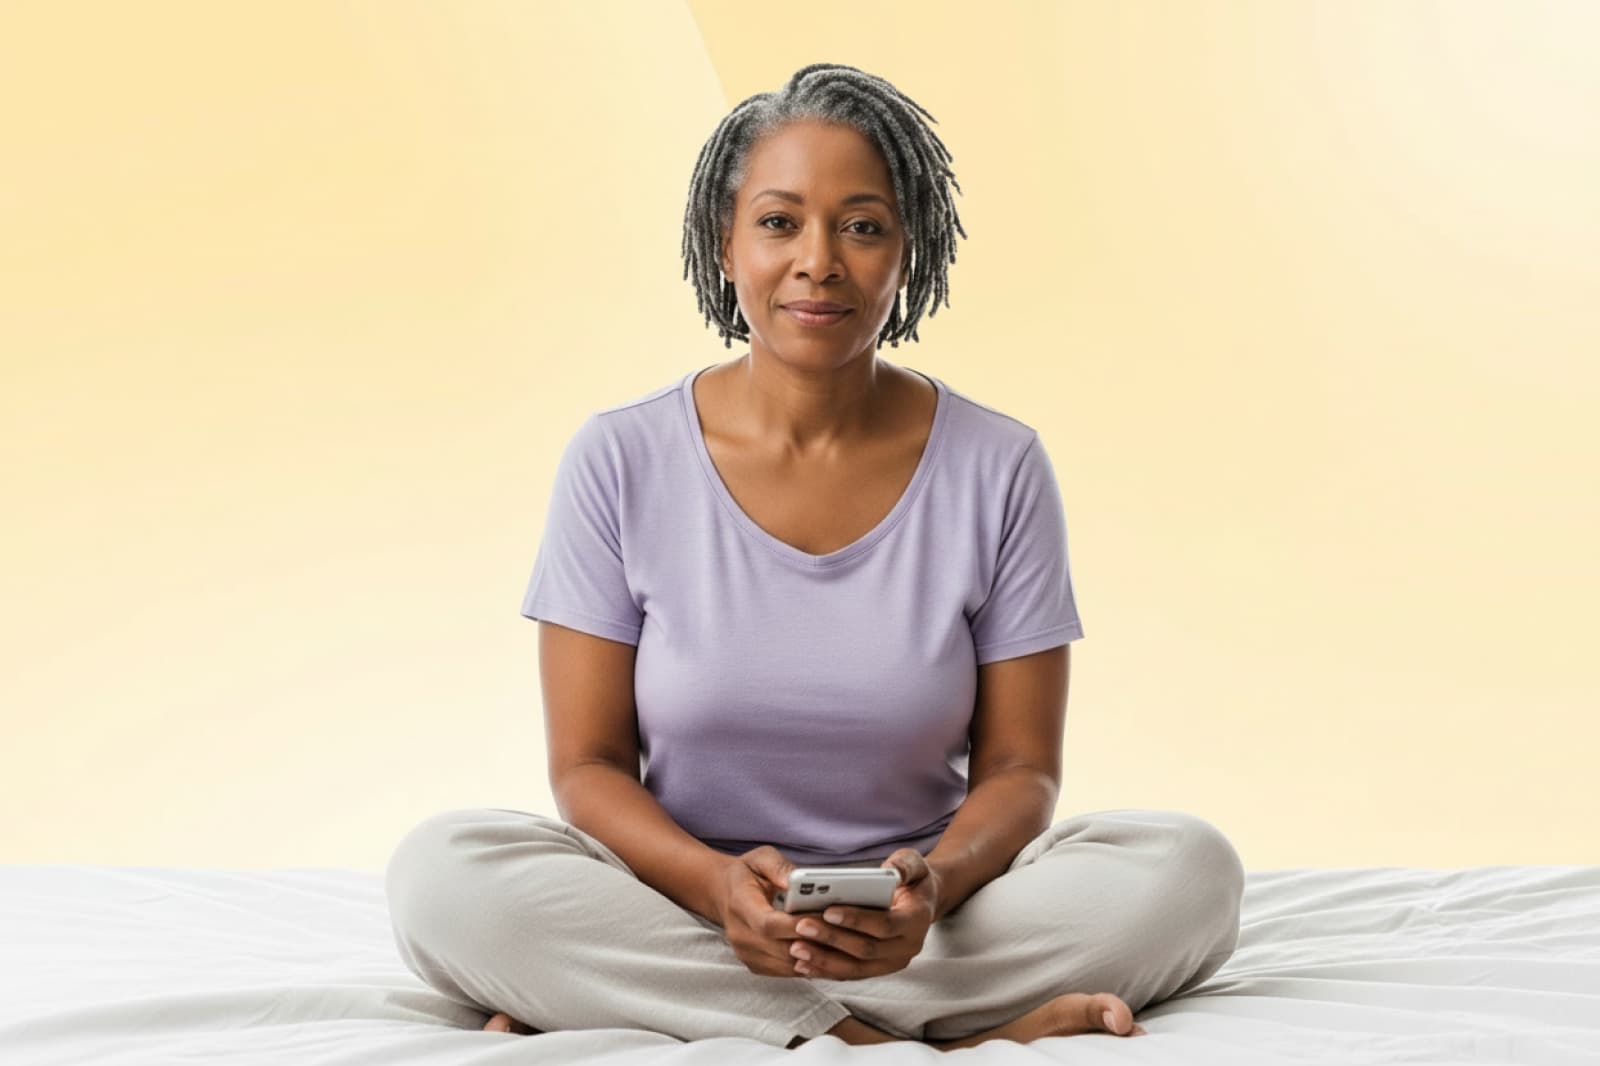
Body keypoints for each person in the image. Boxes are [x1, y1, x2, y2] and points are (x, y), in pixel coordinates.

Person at [384, 62, 1244, 1051]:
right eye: (780, 221)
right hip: (685, 905)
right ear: (724, 243)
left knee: (1189, 870)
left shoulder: (997, 463)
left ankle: (693, 1007)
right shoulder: (619, 458)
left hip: (924, 921)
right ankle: (915, 1036)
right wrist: (715, 888)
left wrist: (935, 887)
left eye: (864, 225)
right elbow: (587, 765)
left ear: (907, 250)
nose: (819, 262)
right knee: (444, 873)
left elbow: (1018, 767)